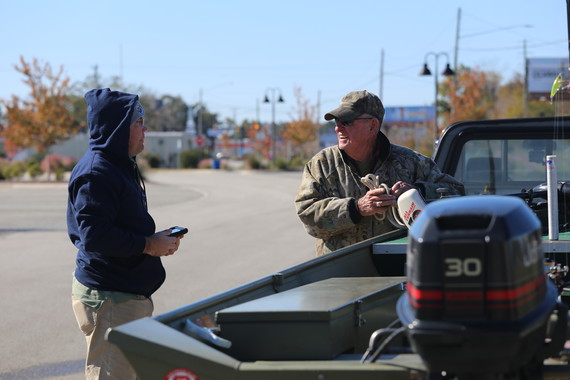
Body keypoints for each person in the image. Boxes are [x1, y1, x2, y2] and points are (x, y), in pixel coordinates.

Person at [67, 88, 185, 379]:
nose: (145, 129)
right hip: (110, 299)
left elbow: (113, 226)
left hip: (121, 298)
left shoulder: (116, 166)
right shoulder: (97, 173)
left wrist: (155, 240)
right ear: (117, 128)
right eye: (138, 122)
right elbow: (95, 236)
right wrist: (148, 245)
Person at [295, 90, 464, 256]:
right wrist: (356, 208)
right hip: (341, 272)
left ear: (372, 125)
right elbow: (307, 215)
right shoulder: (322, 165)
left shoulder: (411, 162)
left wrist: (418, 192)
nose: (338, 129)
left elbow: (456, 193)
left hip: (397, 266)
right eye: (337, 122)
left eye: (346, 122)